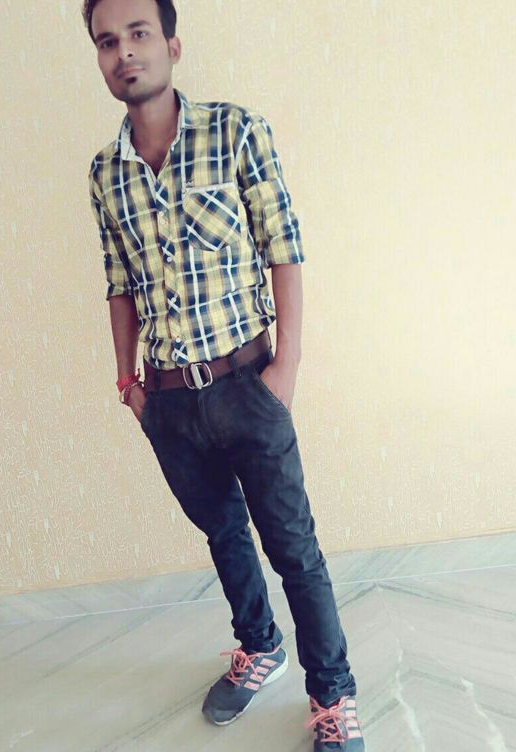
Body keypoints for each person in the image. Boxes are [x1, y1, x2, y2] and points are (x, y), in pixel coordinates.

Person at [83, 0, 365, 748]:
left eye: (139, 34)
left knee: (294, 549)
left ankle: (333, 696)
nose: (124, 52)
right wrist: (129, 384)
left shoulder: (235, 132)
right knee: (223, 534)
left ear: (171, 44)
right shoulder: (105, 173)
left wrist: (286, 367)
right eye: (108, 42)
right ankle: (259, 645)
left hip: (247, 385)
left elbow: (284, 246)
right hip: (168, 401)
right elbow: (119, 282)